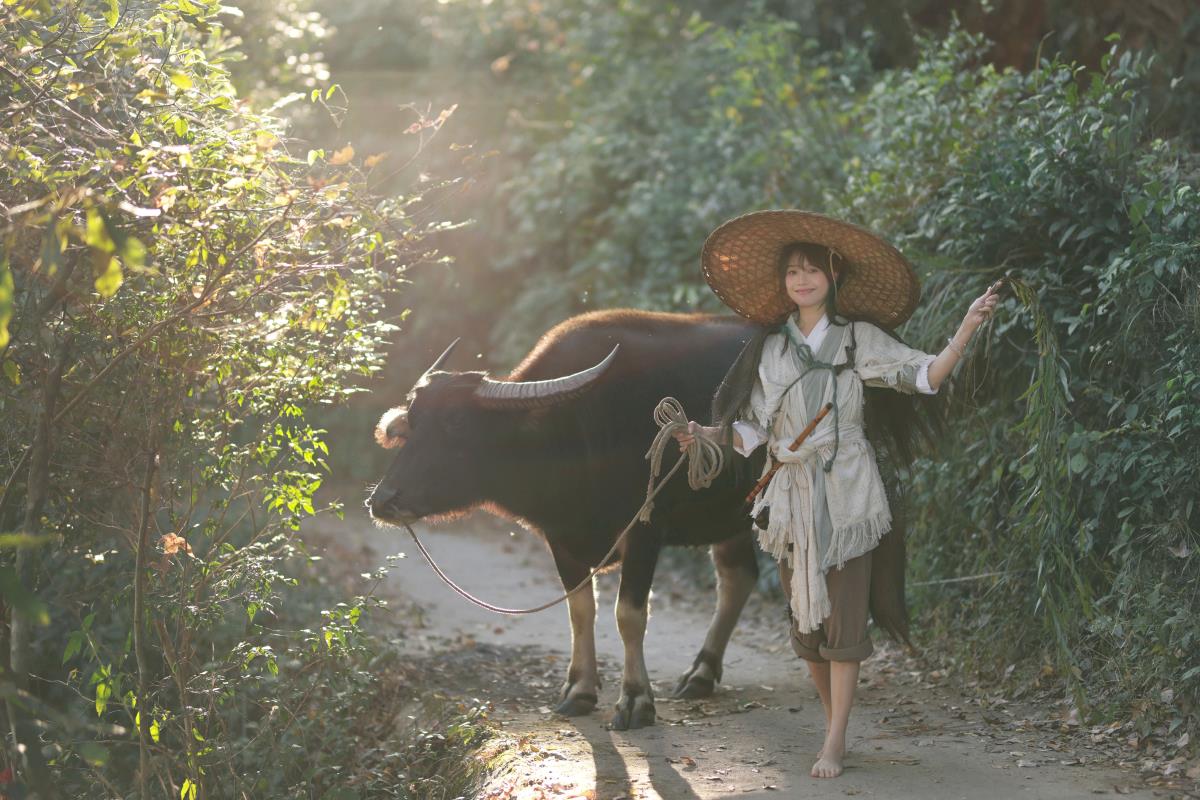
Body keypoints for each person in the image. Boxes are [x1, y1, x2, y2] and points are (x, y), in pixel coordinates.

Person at [673, 210, 1000, 779]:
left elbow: (925, 376)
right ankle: (834, 726)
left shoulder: (858, 340)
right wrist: (704, 436)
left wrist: (967, 327)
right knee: (808, 630)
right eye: (792, 272)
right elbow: (752, 431)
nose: (801, 281)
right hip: (790, 499)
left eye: (811, 271)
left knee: (845, 625)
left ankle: (836, 741)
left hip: (849, 496)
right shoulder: (769, 350)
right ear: (784, 283)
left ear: (832, 277)